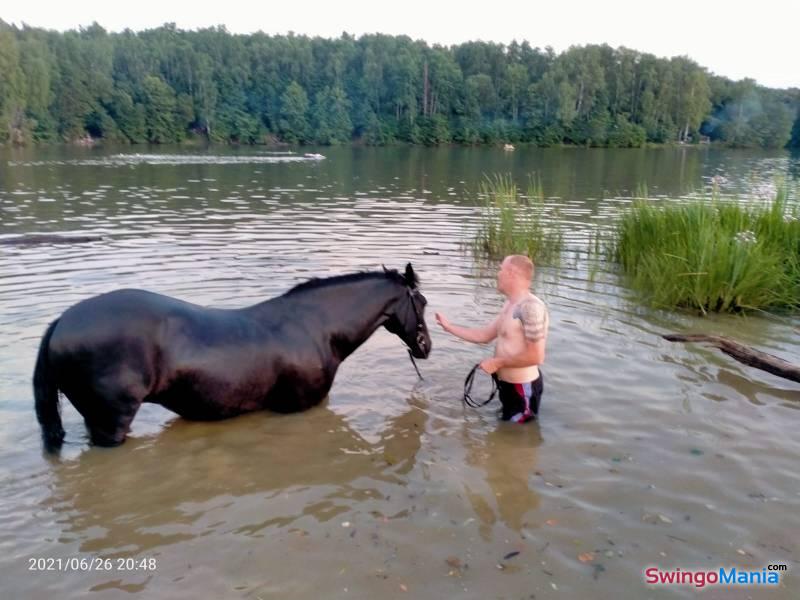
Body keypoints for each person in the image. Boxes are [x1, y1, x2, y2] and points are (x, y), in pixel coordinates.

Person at [436, 255, 548, 423]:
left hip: (523, 389)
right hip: (507, 386)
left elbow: (536, 357)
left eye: (501, 269)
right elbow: (484, 335)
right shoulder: (510, 304)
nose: (498, 274)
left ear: (511, 273)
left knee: (519, 441)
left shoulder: (530, 308)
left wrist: (498, 363)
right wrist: (449, 327)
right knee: (506, 438)